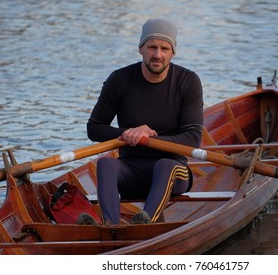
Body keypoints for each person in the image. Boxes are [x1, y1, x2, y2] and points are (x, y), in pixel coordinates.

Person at [86, 18, 204, 225]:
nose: (157, 55)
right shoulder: (119, 80)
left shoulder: (188, 81)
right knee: (106, 164)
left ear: (173, 53)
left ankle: (145, 224)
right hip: (130, 171)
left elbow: (193, 138)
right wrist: (128, 133)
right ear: (141, 49)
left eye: (164, 48)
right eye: (152, 47)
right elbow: (94, 129)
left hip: (174, 172)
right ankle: (109, 227)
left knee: (165, 165)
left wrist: (150, 137)